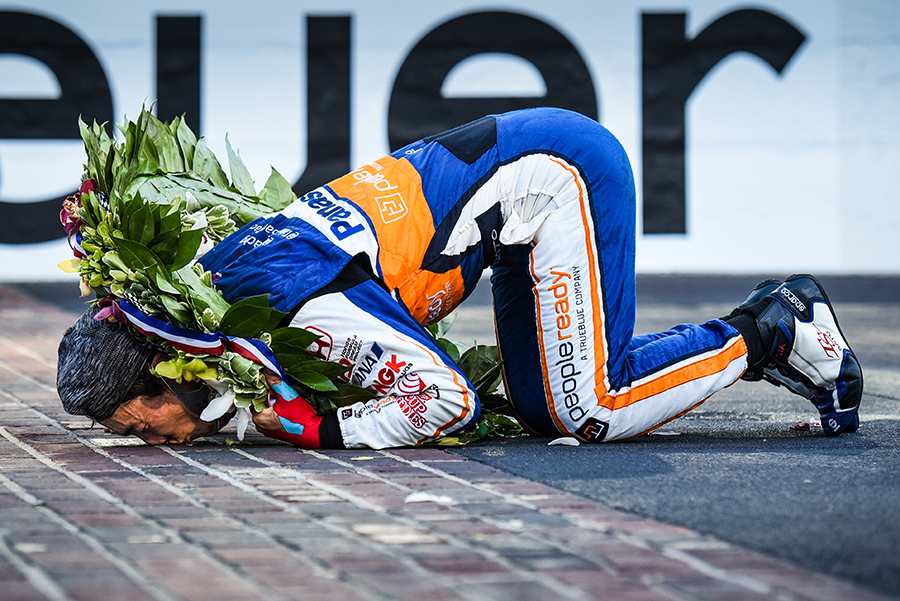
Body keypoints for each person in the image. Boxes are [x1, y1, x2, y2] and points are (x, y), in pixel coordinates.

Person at [56, 107, 863, 448]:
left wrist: (328, 431)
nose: (152, 439)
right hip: (518, 199)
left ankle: (773, 326)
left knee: (591, 408)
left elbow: (448, 398)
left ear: (169, 366)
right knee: (545, 410)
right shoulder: (213, 290)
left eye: (138, 423)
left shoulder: (296, 305)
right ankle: (766, 332)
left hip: (558, 177)